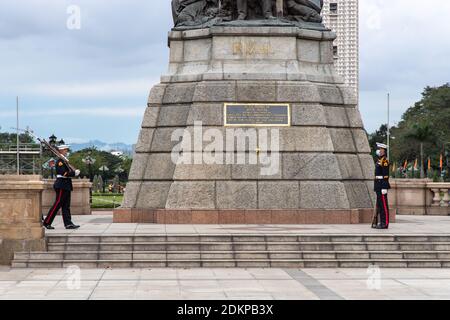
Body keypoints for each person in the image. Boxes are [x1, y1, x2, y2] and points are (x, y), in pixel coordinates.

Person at [43, 145, 81, 230]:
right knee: (57, 204)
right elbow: (63, 173)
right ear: (61, 151)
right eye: (65, 150)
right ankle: (47, 222)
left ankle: (68, 223)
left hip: (66, 184)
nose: (66, 151)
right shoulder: (60, 161)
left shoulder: (64, 161)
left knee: (66, 206)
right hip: (61, 184)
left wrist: (73, 172)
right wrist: (73, 174)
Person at [373, 143, 391, 229]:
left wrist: (384, 187)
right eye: (379, 149)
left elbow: (386, 175)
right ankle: (381, 222)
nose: (379, 150)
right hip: (378, 184)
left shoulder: (385, 162)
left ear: (384, 151)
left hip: (382, 185)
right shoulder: (379, 161)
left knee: (384, 205)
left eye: (380, 149)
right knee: (380, 205)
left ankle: (385, 223)